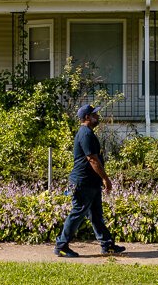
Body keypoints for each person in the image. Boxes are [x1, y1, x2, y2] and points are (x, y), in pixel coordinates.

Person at [54, 104, 126, 258]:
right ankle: (61, 246)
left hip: (91, 183)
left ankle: (107, 245)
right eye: (95, 114)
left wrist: (100, 180)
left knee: (96, 215)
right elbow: (92, 160)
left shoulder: (88, 133)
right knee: (77, 213)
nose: (98, 116)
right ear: (87, 117)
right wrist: (106, 179)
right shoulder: (85, 134)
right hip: (83, 182)